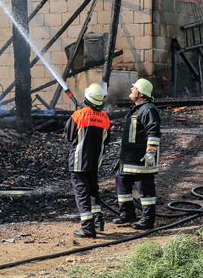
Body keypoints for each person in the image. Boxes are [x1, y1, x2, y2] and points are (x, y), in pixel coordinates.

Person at [64, 83, 111, 238]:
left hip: (78, 162)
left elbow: (69, 137)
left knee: (81, 193)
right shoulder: (105, 117)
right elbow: (107, 140)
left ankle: (87, 228)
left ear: (87, 98)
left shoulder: (78, 115)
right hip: (94, 162)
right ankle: (98, 222)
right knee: (93, 191)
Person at [114, 78, 161, 230]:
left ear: (140, 93)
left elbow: (153, 132)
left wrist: (151, 153)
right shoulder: (136, 109)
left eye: (133, 88)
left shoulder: (148, 109)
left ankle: (147, 220)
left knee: (145, 188)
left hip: (141, 158)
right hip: (129, 158)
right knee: (121, 180)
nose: (131, 89)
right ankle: (127, 214)